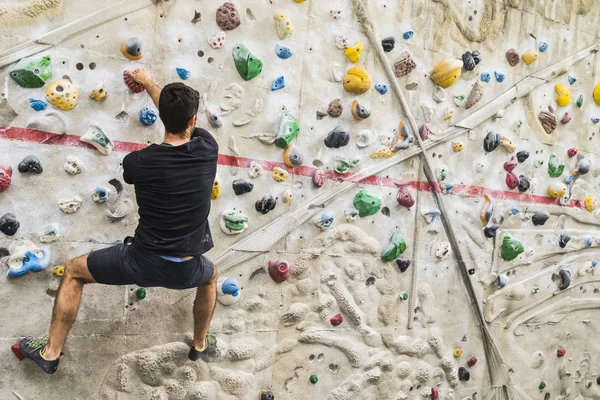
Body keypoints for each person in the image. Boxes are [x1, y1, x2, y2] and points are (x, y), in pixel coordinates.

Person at [19, 68, 219, 374]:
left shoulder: (138, 162)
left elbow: (160, 137)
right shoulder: (207, 149)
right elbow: (180, 121)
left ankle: (51, 353)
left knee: (73, 271)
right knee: (211, 276)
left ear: (162, 116)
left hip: (140, 262)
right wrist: (153, 84)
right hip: (188, 267)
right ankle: (200, 345)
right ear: (193, 122)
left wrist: (146, 82)